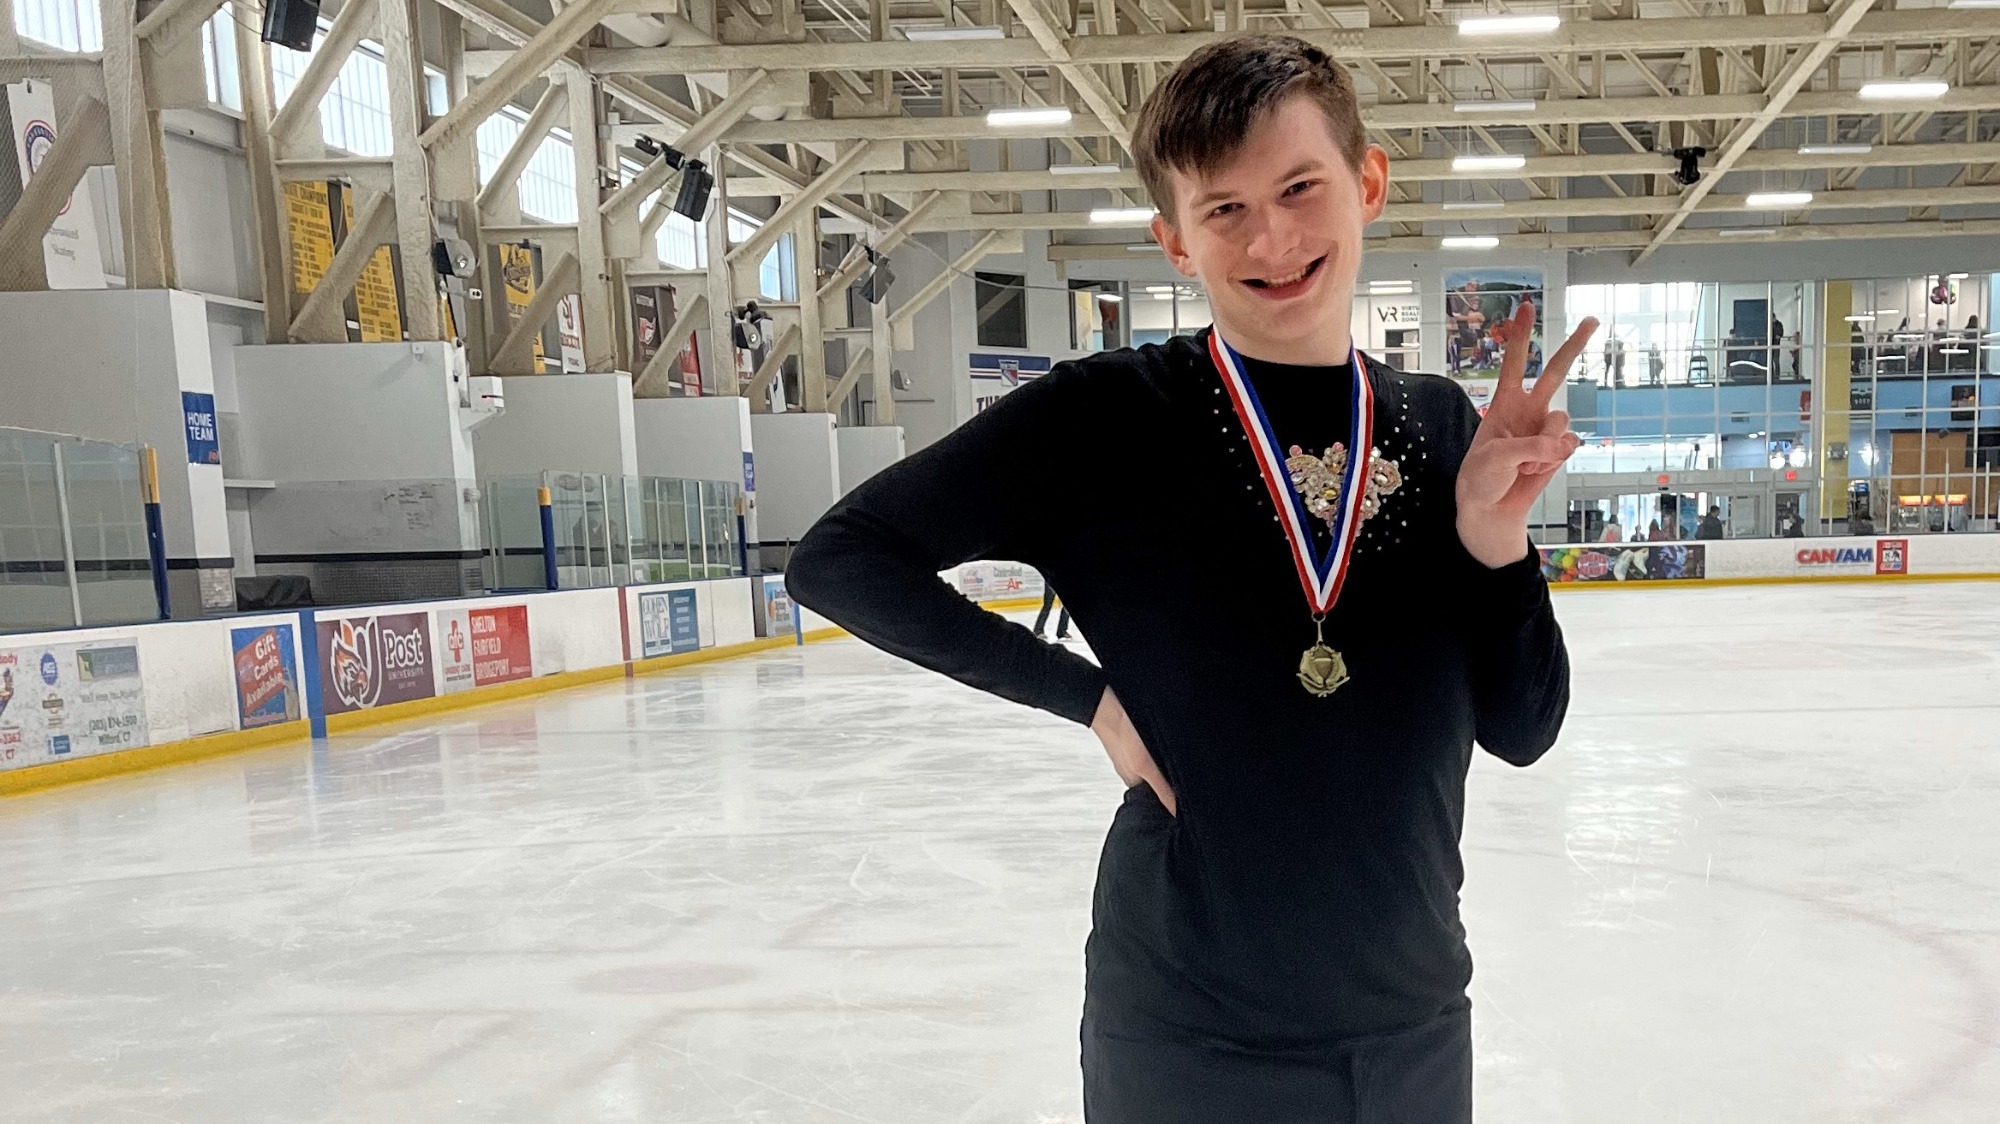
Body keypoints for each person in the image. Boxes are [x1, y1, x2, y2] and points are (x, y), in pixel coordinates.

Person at [786, 35, 1591, 1123]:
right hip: (1183, 1036)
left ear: (1366, 182)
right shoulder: (1103, 418)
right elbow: (839, 557)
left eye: (1299, 187)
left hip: (1405, 1027)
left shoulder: (1441, 426)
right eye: (1222, 210)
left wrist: (1494, 534)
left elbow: (1524, 726)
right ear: (1172, 238)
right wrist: (1085, 695)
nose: (1271, 237)